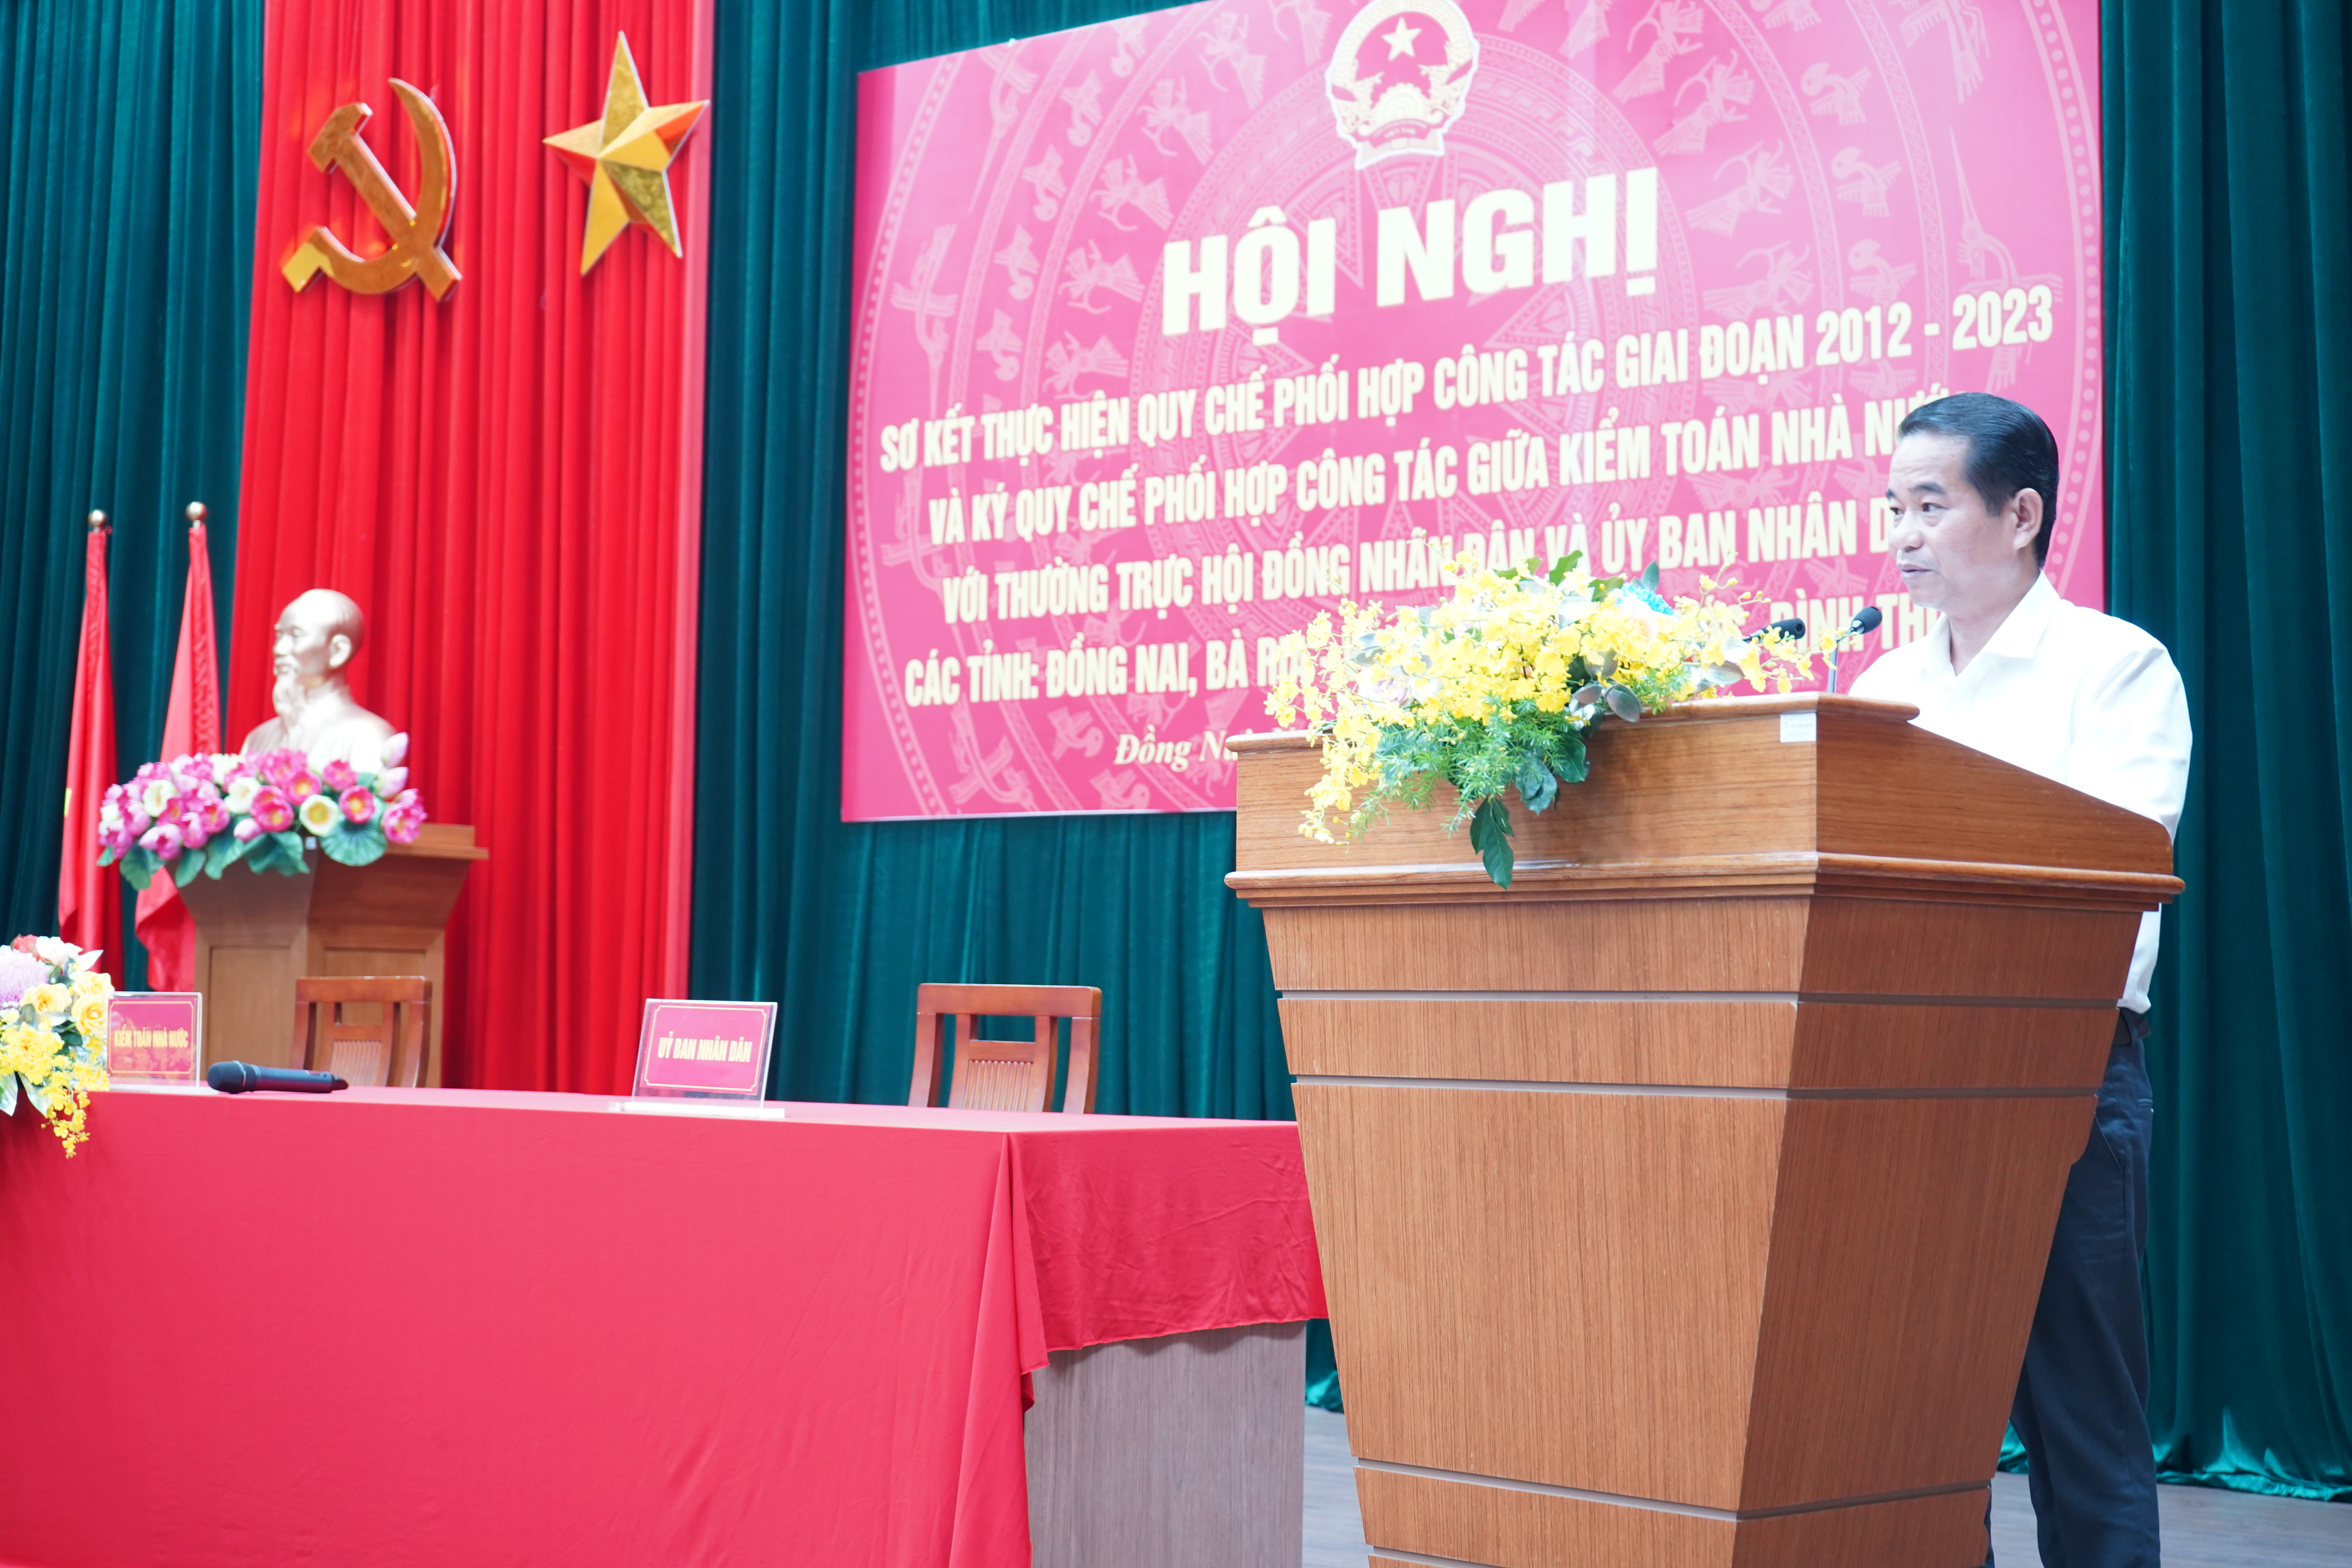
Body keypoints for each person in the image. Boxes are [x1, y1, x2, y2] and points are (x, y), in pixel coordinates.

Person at [1851, 392, 2191, 1568]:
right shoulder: (1878, 691)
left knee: (2079, 1410)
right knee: (1910, 1408)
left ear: (2021, 514)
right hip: (1892, 1081)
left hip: (2061, 1074)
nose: (1902, 534)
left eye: (1929, 505)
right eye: (1893, 507)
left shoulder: (2113, 667)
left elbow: (2119, 866)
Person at [238, 588, 398, 769]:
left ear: (338, 651)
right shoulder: (258, 739)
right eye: (279, 636)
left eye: (296, 636)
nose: (279, 650)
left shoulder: (367, 737)